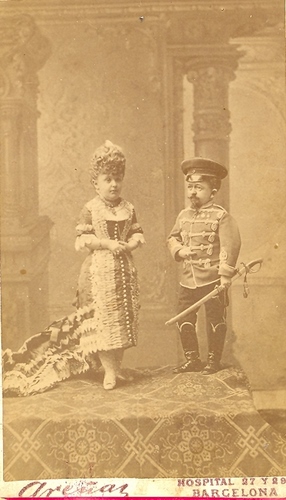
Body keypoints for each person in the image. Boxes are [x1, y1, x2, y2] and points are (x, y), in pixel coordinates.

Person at [3, 140, 145, 395]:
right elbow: (83, 240)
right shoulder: (91, 209)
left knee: (122, 320)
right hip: (98, 271)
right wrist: (107, 244)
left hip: (124, 271)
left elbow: (137, 233)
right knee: (102, 321)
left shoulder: (128, 208)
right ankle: (109, 370)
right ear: (96, 182)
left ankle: (115, 366)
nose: (114, 184)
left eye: (118, 178)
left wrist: (130, 245)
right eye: (108, 178)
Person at [167, 157, 241, 375]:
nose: (192, 192)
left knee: (215, 319)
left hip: (213, 278)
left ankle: (213, 360)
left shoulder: (221, 216)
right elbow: (172, 238)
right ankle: (192, 359)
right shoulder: (183, 215)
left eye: (199, 187)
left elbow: (231, 245)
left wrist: (225, 275)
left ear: (213, 190)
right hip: (188, 278)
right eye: (190, 187)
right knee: (184, 316)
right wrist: (179, 250)